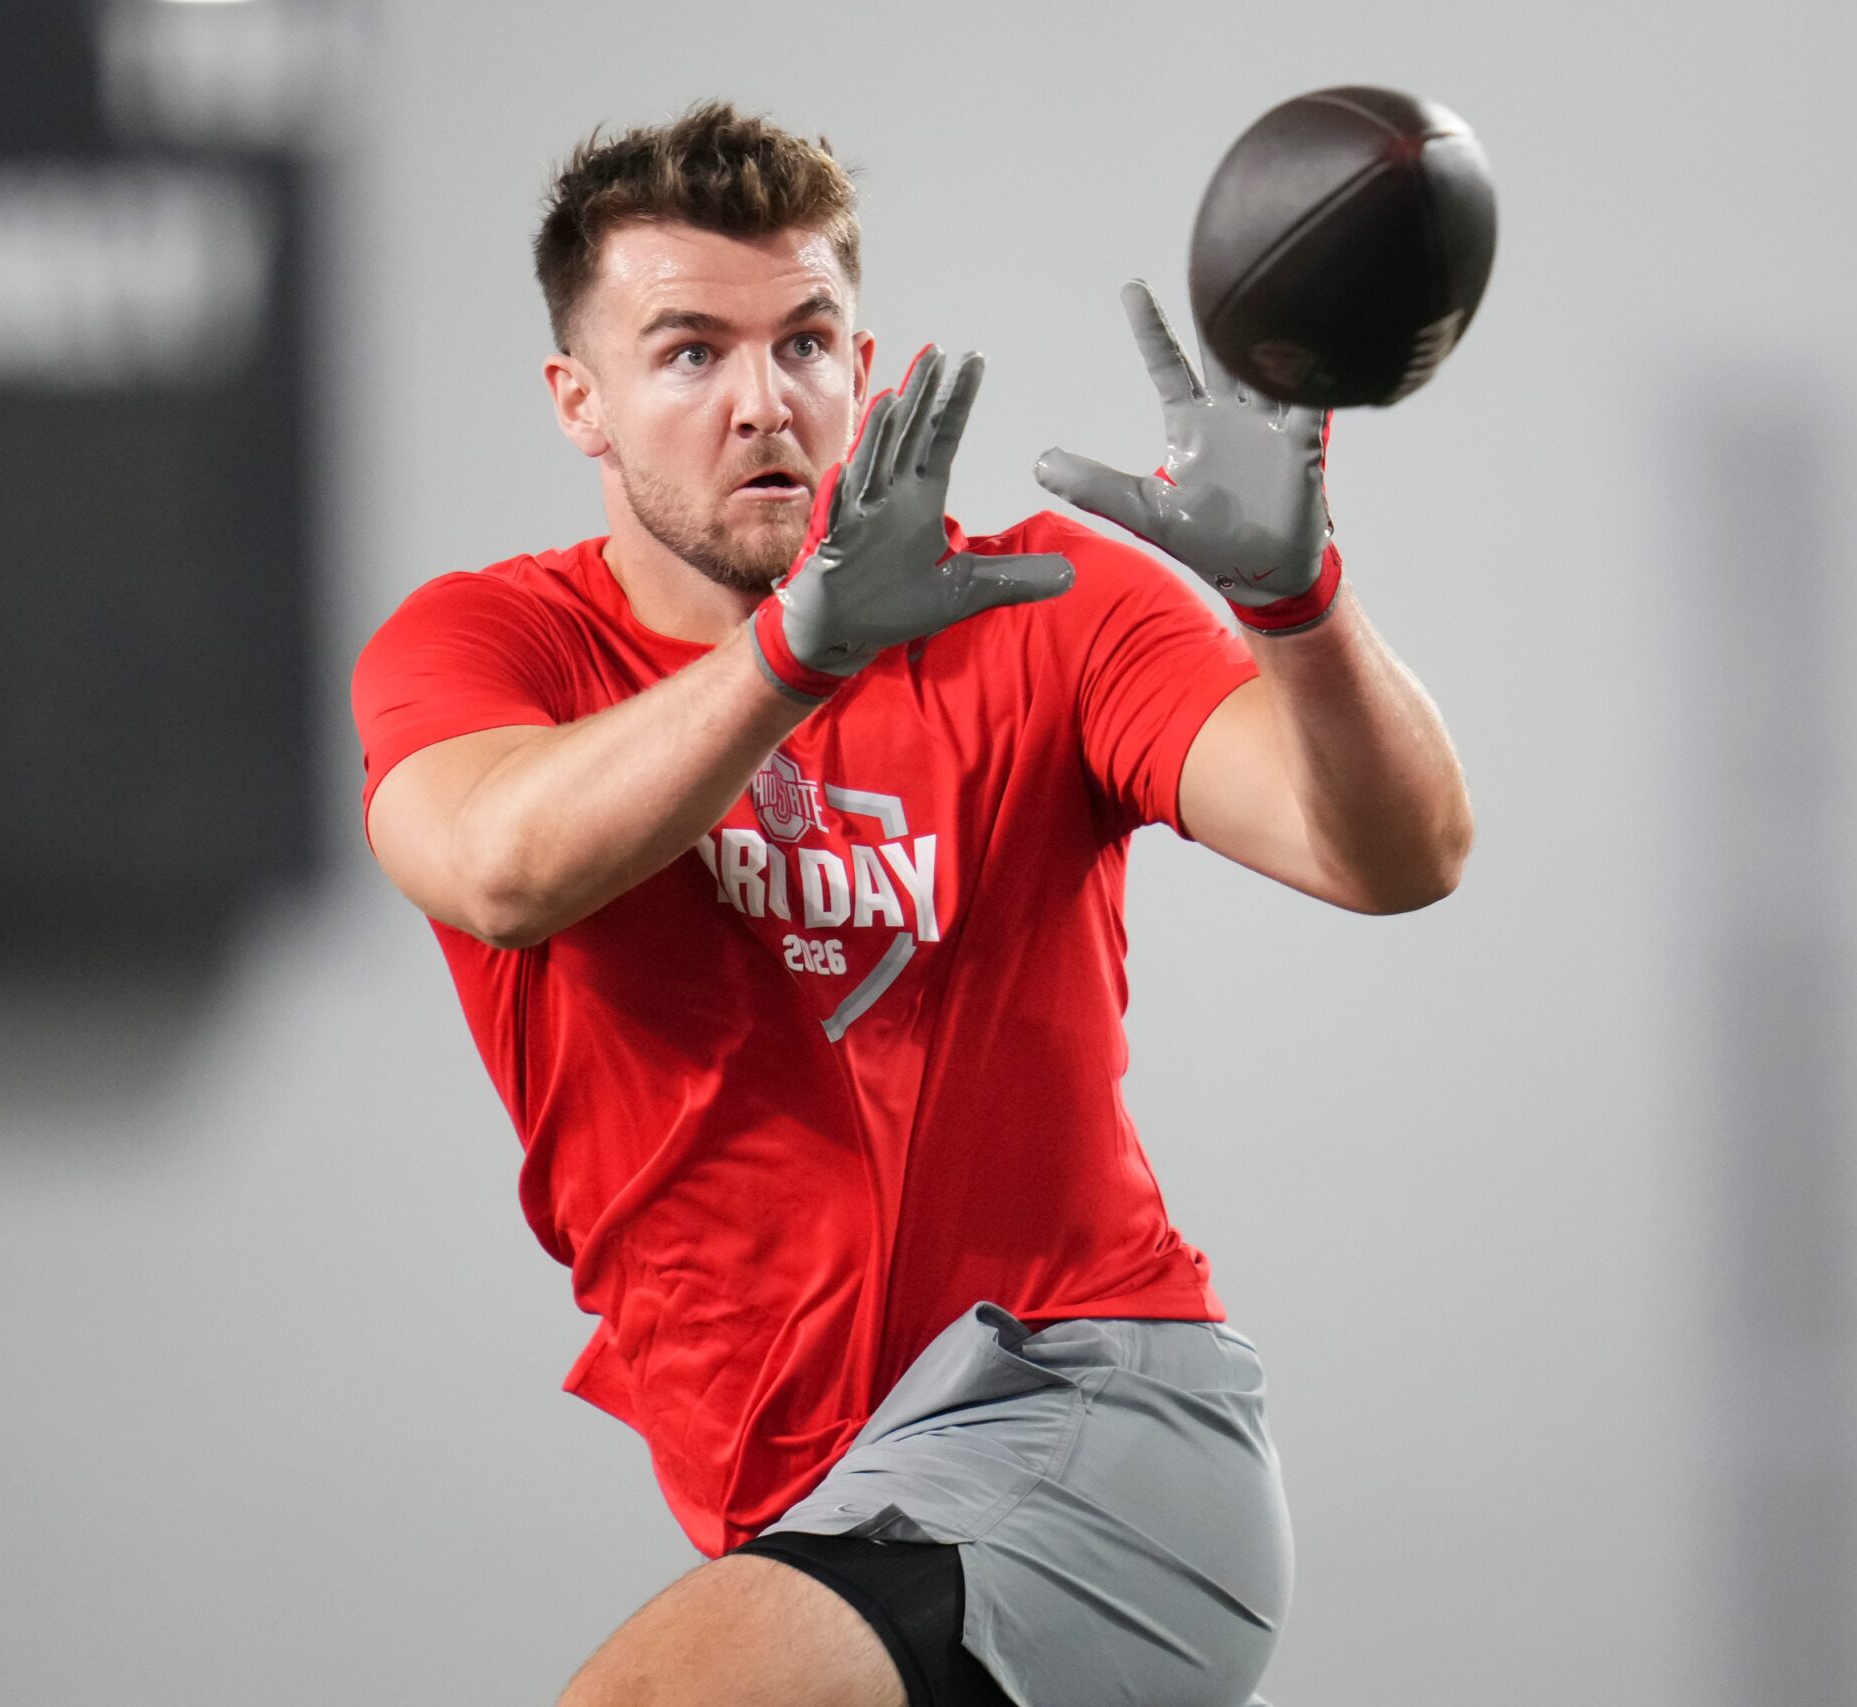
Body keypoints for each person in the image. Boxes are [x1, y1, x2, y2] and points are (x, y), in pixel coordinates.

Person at [352, 102, 1471, 1707]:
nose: (764, 401)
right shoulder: (492, 649)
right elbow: (500, 869)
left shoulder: (1047, 611)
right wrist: (797, 658)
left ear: (865, 368)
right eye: (689, 353)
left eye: (806, 342)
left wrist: (1298, 605)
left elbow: (1394, 855)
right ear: (577, 401)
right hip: (825, 1498)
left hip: (1077, 1426)